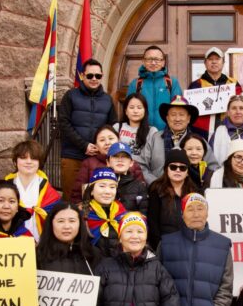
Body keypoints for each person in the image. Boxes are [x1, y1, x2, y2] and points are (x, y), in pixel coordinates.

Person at [61, 59, 117, 196]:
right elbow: (63, 123)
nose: (94, 79)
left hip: (99, 159)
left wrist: (102, 147)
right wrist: (84, 145)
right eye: (90, 75)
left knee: (95, 200)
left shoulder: (107, 99)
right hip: (73, 157)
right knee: (71, 199)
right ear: (82, 76)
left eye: (98, 76)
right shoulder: (70, 96)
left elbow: (112, 127)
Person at [5, 139, 61, 241]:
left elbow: (57, 218)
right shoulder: (4, 187)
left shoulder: (48, 190)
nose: (29, 162)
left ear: (39, 163)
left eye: (34, 158)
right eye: (23, 158)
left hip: (42, 243)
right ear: (15, 162)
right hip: (12, 243)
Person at [71, 125, 145, 203]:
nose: (107, 143)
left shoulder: (132, 164)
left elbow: (142, 192)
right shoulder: (88, 164)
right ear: (96, 145)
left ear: (119, 140)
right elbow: (77, 194)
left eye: (111, 138)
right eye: (102, 140)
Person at [147, 149, 198, 249]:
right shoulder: (156, 189)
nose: (178, 170)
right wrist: (160, 247)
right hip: (164, 245)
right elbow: (153, 223)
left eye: (182, 168)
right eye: (173, 167)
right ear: (166, 169)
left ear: (187, 172)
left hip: (189, 245)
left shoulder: (194, 191)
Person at [127, 45, 182, 132]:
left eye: (157, 59)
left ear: (163, 62)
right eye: (149, 59)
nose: (153, 63)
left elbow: (179, 108)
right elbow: (129, 109)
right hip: (141, 132)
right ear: (143, 61)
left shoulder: (172, 82)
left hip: (166, 132)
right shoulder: (136, 84)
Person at [115, 93, 165, 184]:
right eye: (131, 107)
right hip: (119, 171)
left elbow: (156, 161)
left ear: (145, 111)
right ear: (126, 111)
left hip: (143, 174)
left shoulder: (152, 131)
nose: (135, 111)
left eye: (139, 107)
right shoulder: (117, 127)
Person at [189, 46, 240, 133]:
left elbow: (241, 105)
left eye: (217, 59)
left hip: (230, 129)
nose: (214, 62)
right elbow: (190, 112)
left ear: (223, 62)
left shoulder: (233, 84)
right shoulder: (196, 85)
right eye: (210, 59)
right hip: (203, 132)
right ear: (205, 63)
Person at [82, 167, 126, 258]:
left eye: (112, 187)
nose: (107, 191)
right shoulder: (81, 215)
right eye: (102, 186)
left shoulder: (123, 214)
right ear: (92, 191)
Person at [109, 142, 149, 214]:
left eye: (125, 156)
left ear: (131, 163)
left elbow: (144, 215)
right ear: (108, 162)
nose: (120, 160)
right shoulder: (100, 183)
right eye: (115, 156)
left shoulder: (140, 186)